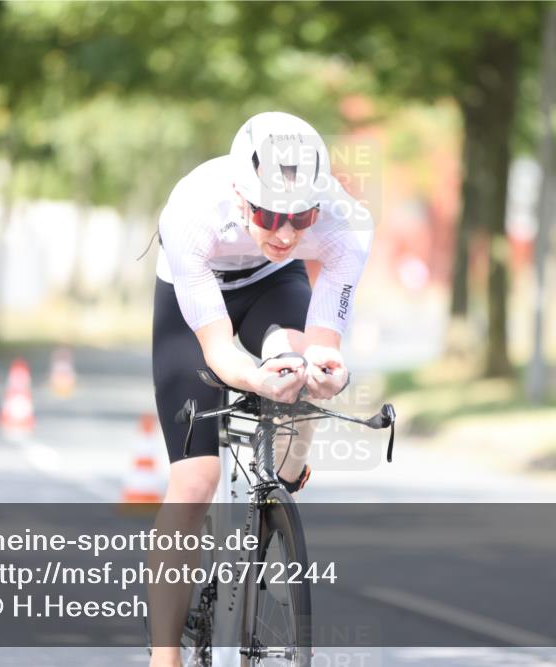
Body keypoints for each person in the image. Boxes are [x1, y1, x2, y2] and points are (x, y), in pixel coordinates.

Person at [147, 111, 373, 666]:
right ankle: (163, 655)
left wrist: (327, 369)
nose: (286, 233)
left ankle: (286, 465)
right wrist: (253, 378)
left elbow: (325, 342)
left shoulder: (347, 223)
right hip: (195, 299)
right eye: (270, 216)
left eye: (302, 217)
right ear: (240, 196)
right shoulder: (192, 212)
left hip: (274, 285)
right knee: (196, 482)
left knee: (299, 370)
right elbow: (219, 351)